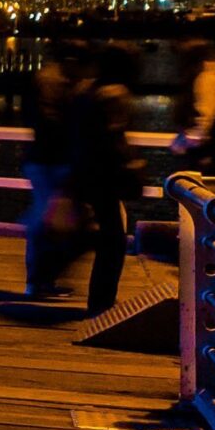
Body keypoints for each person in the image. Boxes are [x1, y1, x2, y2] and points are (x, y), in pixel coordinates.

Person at [67, 45, 145, 315]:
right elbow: (115, 136)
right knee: (113, 241)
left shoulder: (85, 91)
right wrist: (132, 163)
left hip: (83, 169)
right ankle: (102, 303)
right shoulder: (114, 95)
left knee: (100, 233)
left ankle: (97, 298)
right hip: (104, 174)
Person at [21, 41, 82, 299]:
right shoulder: (57, 82)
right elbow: (54, 121)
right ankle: (40, 280)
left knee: (48, 218)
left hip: (42, 158)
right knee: (52, 220)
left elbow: (33, 117)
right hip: (53, 160)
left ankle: (41, 279)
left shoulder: (43, 79)